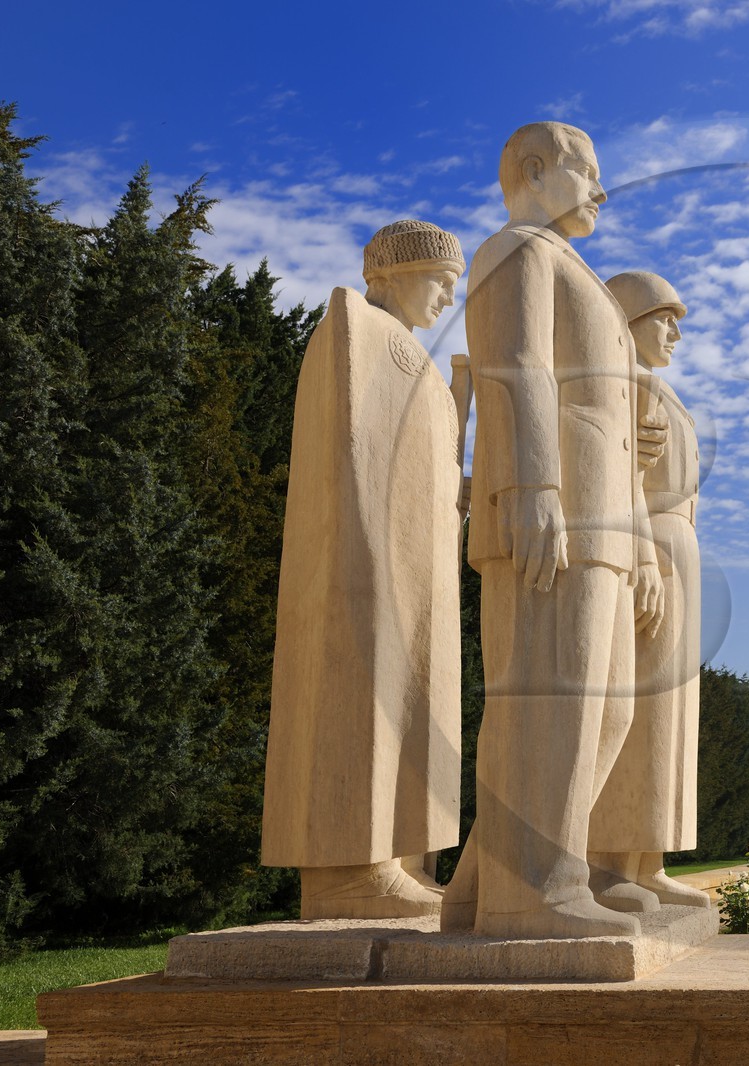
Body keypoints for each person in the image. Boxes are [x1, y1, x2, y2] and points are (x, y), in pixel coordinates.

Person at [444, 121, 664, 940]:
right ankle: (533, 889)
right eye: (588, 172)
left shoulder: (573, 267)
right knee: (550, 699)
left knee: (600, 709)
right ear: (535, 170)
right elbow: (515, 365)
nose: (602, 190)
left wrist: (636, 535)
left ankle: (487, 885)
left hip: (598, 509)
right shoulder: (514, 251)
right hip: (552, 504)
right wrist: (529, 484)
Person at [262, 219, 467, 920]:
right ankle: (351, 869)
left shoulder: (415, 357)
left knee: (416, 699)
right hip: (368, 558)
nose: (446, 299)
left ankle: (404, 858)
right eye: (441, 281)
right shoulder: (355, 328)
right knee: (364, 697)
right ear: (393, 271)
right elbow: (352, 453)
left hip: (418, 564)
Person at [585, 271, 711, 911]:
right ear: (628, 320)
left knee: (669, 719)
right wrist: (645, 559)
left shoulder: (660, 390)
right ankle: (608, 863)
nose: (675, 332)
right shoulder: (619, 387)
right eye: (663, 318)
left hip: (677, 548)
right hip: (650, 549)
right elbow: (622, 478)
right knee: (637, 710)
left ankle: (648, 858)